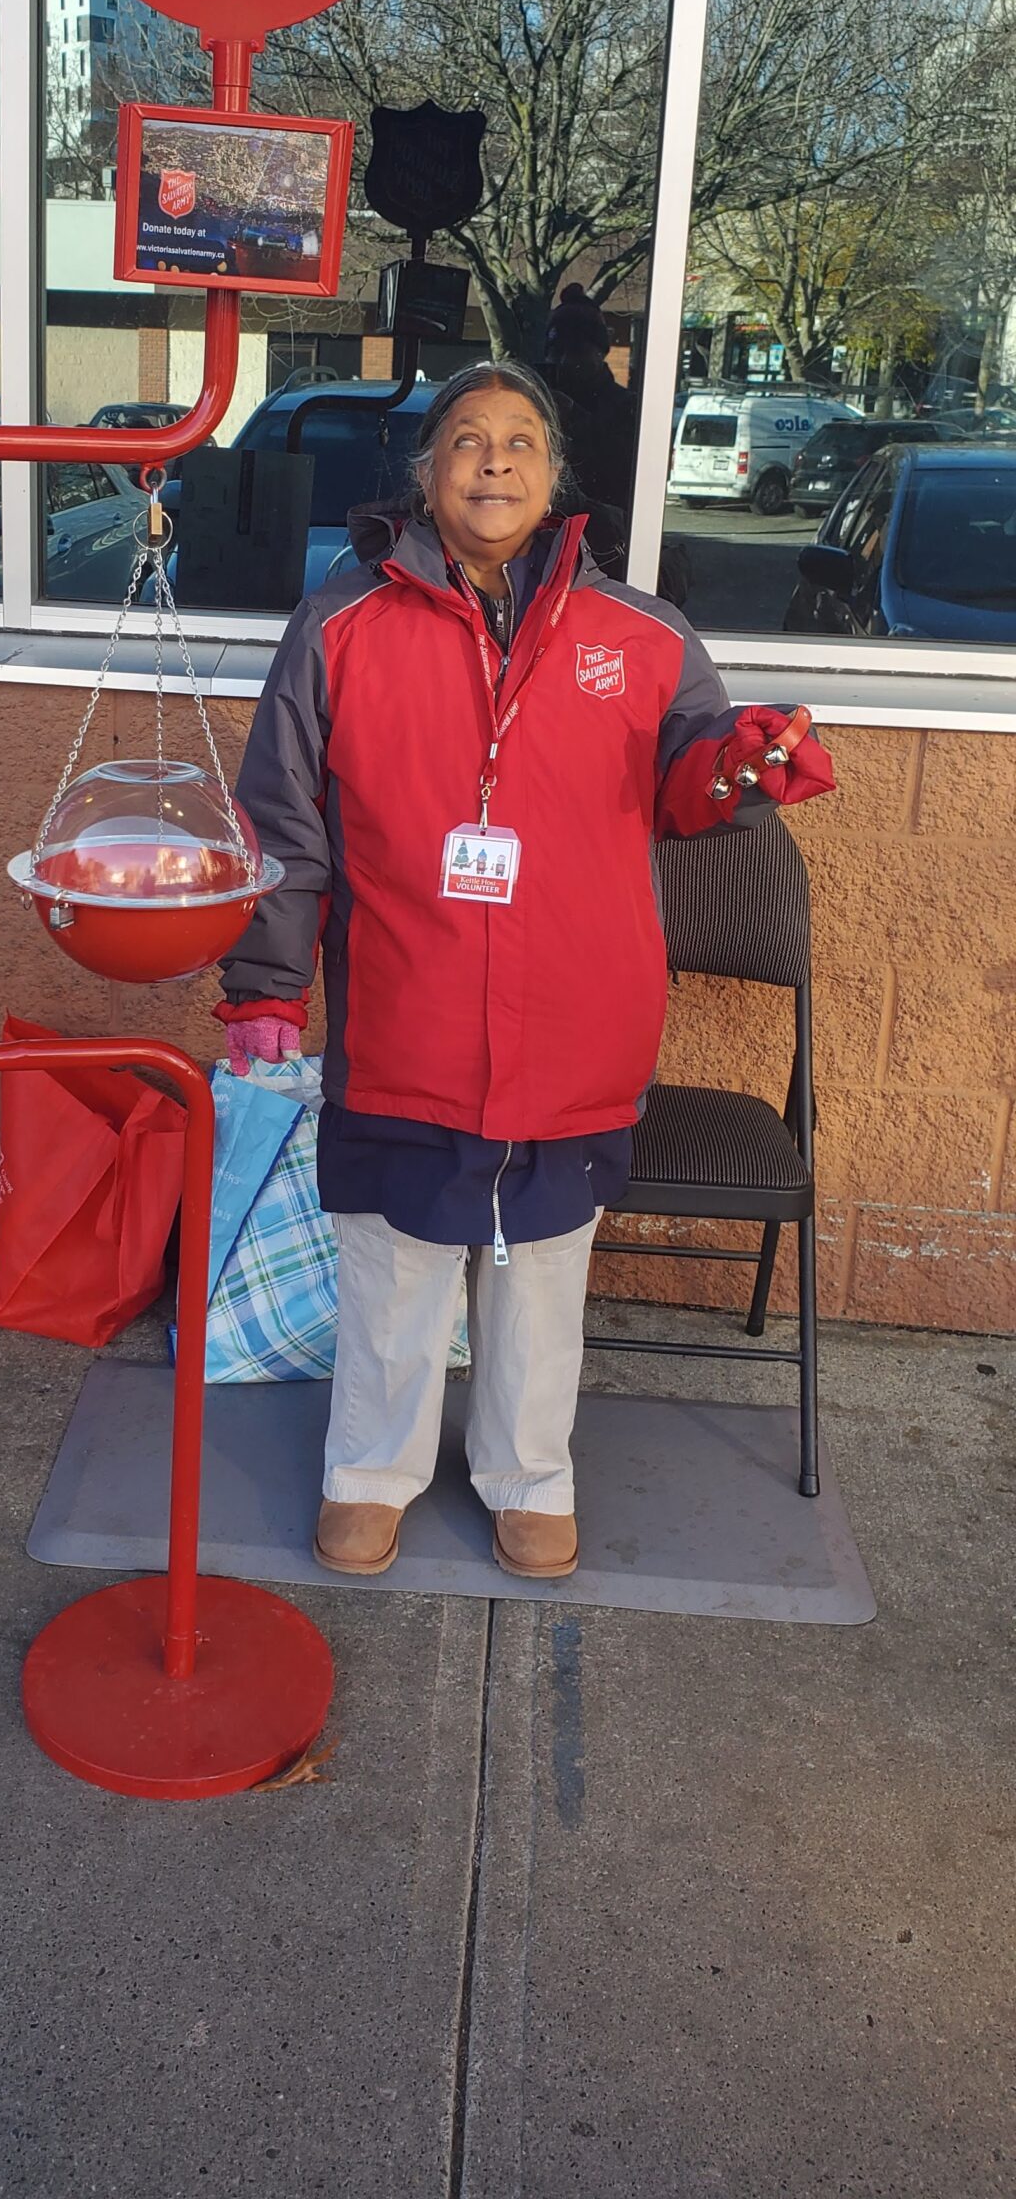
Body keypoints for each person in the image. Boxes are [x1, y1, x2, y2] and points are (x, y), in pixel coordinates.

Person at [215, 359, 834, 1580]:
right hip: (410, 1010)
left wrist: (744, 768)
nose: (493, 459)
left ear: (555, 481)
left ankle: (527, 1474)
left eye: (520, 442)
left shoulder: (642, 635)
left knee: (546, 1269)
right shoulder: (339, 625)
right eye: (465, 440)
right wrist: (267, 985)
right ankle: (370, 1471)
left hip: (575, 1020)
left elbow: (693, 780)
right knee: (394, 1261)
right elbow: (283, 823)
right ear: (424, 472)